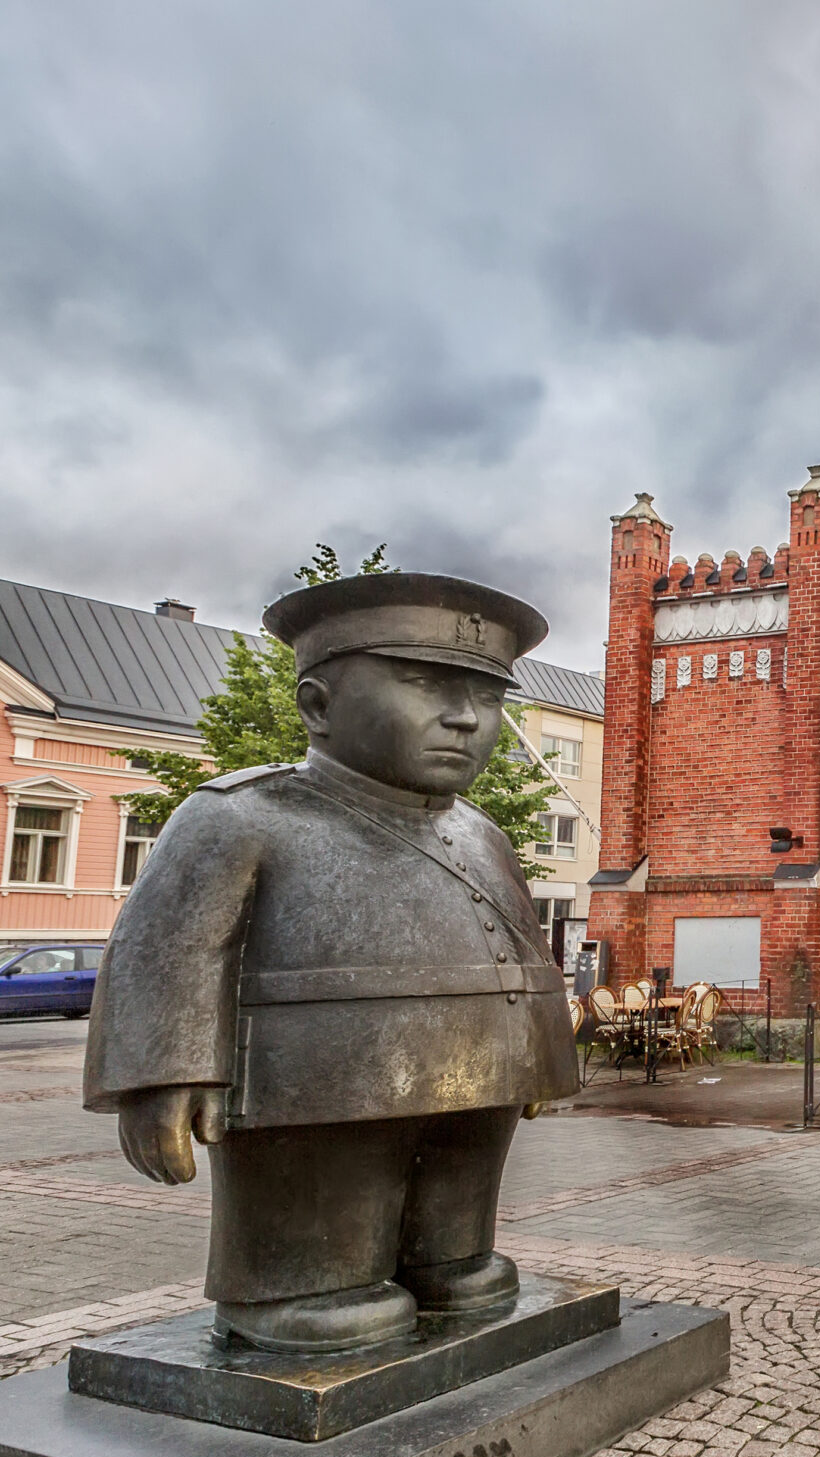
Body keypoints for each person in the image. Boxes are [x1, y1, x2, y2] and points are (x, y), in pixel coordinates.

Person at [85, 573, 577, 1352]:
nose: (465, 718)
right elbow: (166, 947)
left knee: (462, 1182)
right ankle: (296, 1280)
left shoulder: (483, 833)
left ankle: (446, 1255)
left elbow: (521, 944)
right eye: (426, 686)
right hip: (313, 1086)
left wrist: (535, 1056)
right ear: (318, 705)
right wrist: (162, 1074)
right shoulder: (243, 814)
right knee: (328, 1192)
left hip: (476, 1072)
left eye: (487, 698)